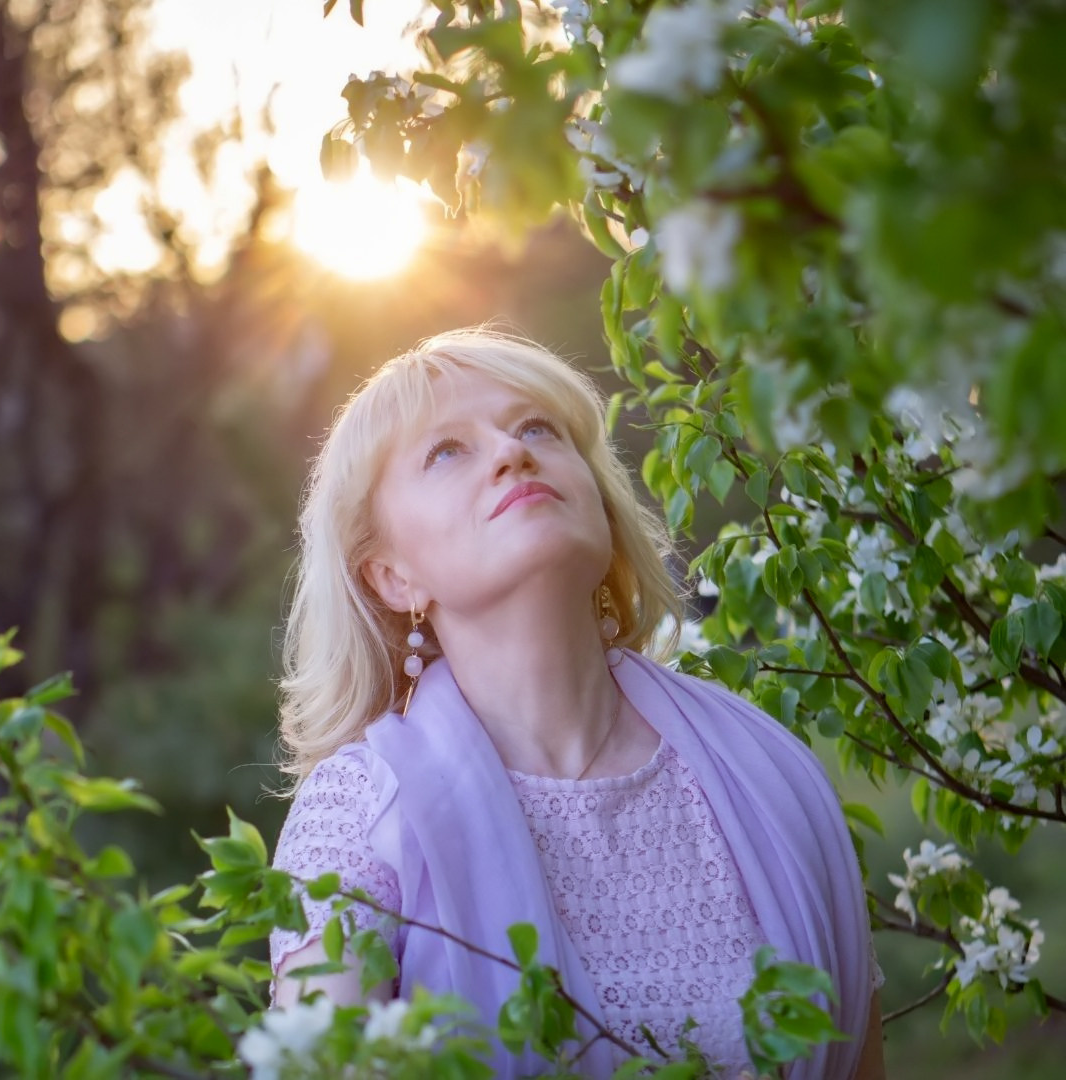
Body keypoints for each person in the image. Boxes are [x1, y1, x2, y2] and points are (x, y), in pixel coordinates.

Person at [269, 328, 886, 1079]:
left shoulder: (763, 772)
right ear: (393, 578)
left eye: (536, 428)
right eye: (447, 451)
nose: (511, 452)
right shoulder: (361, 815)